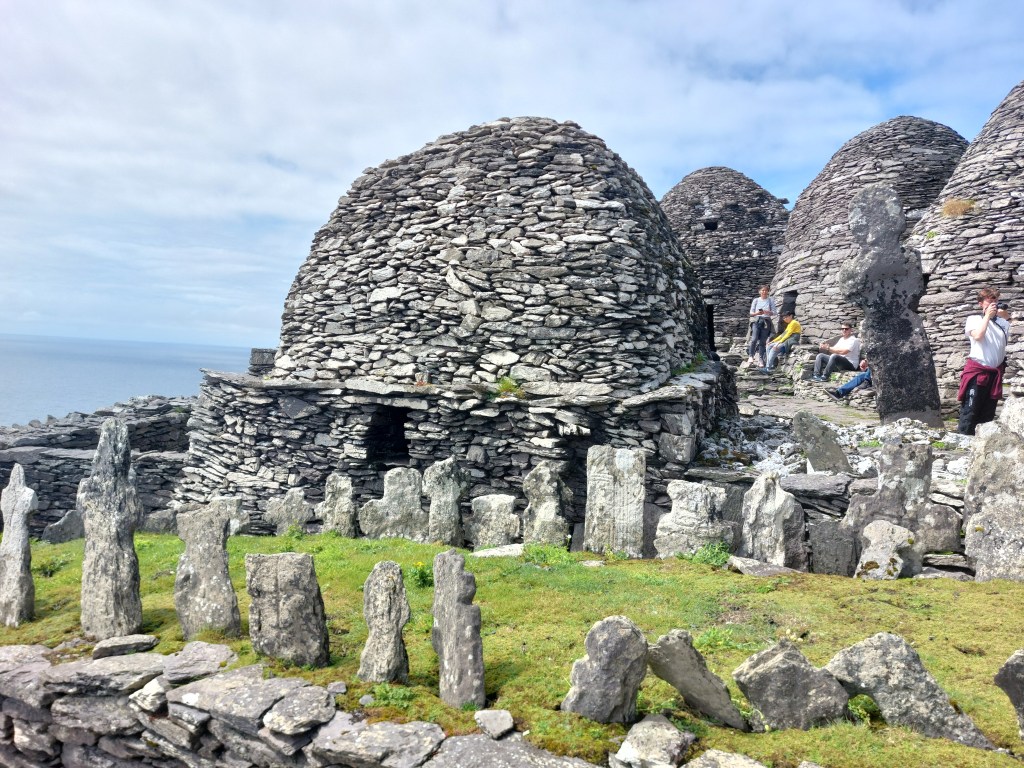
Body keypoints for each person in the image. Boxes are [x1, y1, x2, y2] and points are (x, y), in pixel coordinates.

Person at [957, 287, 1011, 435]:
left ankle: (983, 442)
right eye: (989, 301)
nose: (993, 304)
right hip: (977, 372)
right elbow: (978, 336)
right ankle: (964, 440)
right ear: (980, 303)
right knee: (970, 410)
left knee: (988, 412)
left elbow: (1009, 324)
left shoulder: (1003, 324)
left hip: (994, 374)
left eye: (995, 300)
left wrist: (1004, 316)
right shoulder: (974, 319)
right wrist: (987, 316)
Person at [747, 285, 776, 367]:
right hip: (756, 320)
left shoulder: (770, 300)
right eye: (762, 290)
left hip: (766, 321)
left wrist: (766, 312)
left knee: (763, 342)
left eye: (766, 290)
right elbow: (751, 313)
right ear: (759, 291)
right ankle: (751, 356)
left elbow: (774, 312)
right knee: (754, 339)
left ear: (768, 292)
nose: (764, 292)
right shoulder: (756, 300)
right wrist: (757, 313)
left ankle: (761, 359)